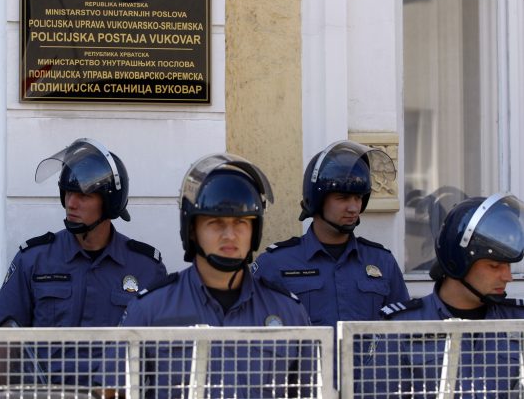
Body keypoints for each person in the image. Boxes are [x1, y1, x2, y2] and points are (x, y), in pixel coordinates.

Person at [106, 153, 313, 398]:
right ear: (191, 231)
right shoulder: (150, 310)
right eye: (215, 222)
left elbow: (312, 391)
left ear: (255, 231)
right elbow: (113, 392)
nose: (230, 235)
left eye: (241, 223)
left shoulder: (289, 312)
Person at [0, 138, 168, 386]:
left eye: (84, 195)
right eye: (68, 193)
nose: (71, 204)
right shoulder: (33, 260)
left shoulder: (146, 267)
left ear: (110, 202)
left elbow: (161, 354)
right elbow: (5, 342)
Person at [370, 192, 524, 397]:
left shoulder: (519, 321)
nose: (507, 277)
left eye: (508, 266)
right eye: (494, 266)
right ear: (458, 262)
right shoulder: (401, 326)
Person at [252, 140, 409, 327]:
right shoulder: (275, 264)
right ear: (317, 201)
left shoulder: (382, 262)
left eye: (358, 198)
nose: (353, 207)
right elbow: (254, 340)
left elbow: (404, 335)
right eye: (342, 198)